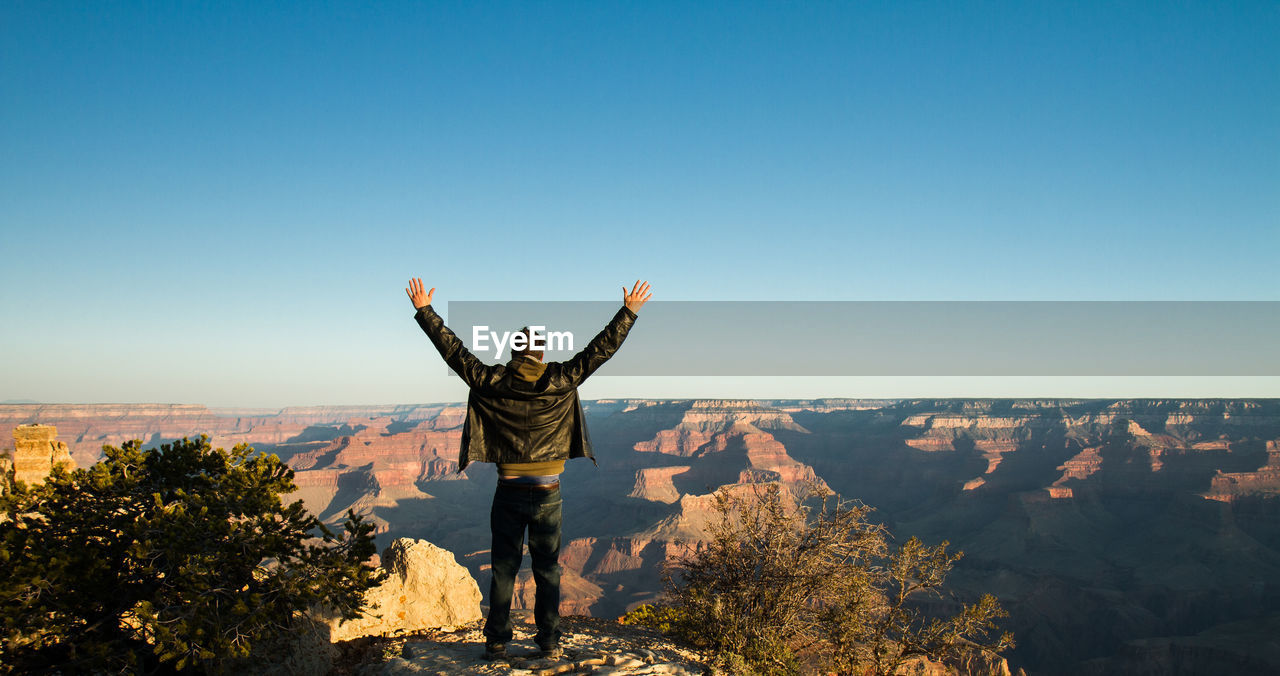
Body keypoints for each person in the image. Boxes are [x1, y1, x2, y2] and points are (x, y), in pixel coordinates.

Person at [404, 277, 651, 660]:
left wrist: (425, 311)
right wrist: (629, 312)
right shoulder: (560, 378)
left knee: (504, 569)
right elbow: (598, 351)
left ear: (516, 353)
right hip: (549, 493)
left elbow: (454, 353)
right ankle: (549, 642)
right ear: (539, 354)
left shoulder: (492, 380)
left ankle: (497, 642)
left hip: (509, 491)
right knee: (548, 570)